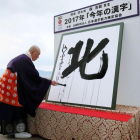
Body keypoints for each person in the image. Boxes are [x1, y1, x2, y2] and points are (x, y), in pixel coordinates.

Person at [0, 45, 57, 138]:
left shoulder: (21, 58)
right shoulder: (25, 60)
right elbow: (34, 77)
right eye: (37, 55)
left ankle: (10, 130)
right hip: (13, 86)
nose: (37, 57)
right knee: (19, 104)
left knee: (10, 106)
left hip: (7, 85)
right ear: (32, 52)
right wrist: (49, 82)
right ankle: (19, 132)